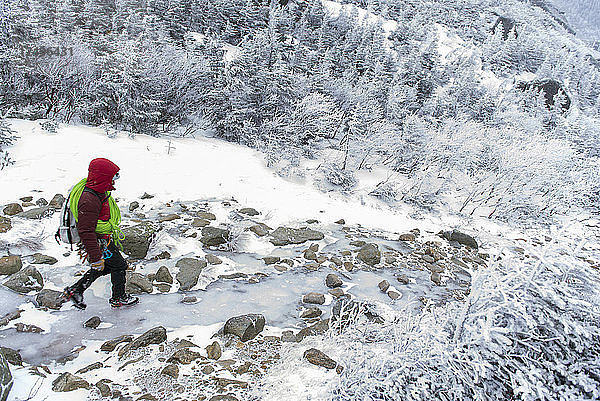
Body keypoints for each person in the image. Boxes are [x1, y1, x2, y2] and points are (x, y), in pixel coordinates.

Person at [62, 158, 139, 309]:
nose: (115, 181)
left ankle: (76, 290)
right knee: (119, 266)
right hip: (99, 242)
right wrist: (96, 256)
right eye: (113, 177)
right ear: (103, 177)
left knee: (106, 267)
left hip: (103, 239)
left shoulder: (97, 191)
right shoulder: (89, 199)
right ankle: (119, 298)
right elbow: (86, 231)